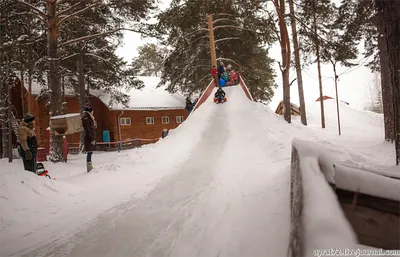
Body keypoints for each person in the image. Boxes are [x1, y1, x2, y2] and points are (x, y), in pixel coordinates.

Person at [82, 105, 97, 172]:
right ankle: (89, 168)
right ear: (90, 111)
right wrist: (91, 139)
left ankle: (90, 166)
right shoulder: (86, 118)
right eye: (92, 111)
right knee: (89, 152)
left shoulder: (88, 117)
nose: (93, 112)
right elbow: (87, 129)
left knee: (90, 152)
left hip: (90, 137)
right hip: (88, 138)